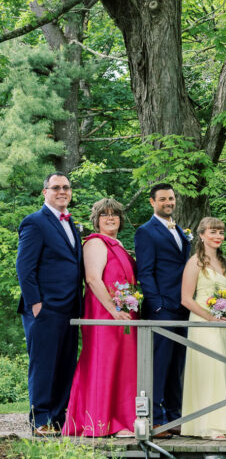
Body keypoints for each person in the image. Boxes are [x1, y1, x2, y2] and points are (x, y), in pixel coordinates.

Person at [64, 198, 138, 438]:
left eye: (114, 214)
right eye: (104, 215)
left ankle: (122, 420)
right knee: (104, 362)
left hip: (123, 314)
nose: (110, 218)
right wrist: (113, 310)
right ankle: (101, 421)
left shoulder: (118, 245)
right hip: (104, 314)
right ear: (96, 220)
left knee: (123, 365)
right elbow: (93, 279)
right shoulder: (96, 243)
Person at [16, 173, 83, 435]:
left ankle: (57, 418)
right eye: (56, 188)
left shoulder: (72, 224)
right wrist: (35, 304)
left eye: (66, 187)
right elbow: (24, 267)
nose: (62, 191)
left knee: (65, 364)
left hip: (70, 308)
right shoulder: (34, 222)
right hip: (44, 309)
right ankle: (40, 419)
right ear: (45, 192)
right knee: (44, 364)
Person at [180, 217, 226, 440]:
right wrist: (209, 317)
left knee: (225, 369)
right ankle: (210, 426)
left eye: (220, 233)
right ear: (201, 235)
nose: (217, 236)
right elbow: (186, 299)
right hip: (203, 324)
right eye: (213, 232)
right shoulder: (195, 262)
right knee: (211, 371)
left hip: (225, 323)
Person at [134, 183, 191, 434]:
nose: (169, 202)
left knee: (177, 364)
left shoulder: (180, 230)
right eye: (163, 199)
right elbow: (145, 271)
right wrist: (157, 304)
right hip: (163, 308)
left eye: (171, 198)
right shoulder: (146, 232)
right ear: (152, 202)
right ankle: (155, 418)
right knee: (159, 364)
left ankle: (174, 417)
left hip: (183, 306)